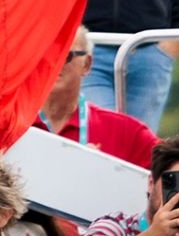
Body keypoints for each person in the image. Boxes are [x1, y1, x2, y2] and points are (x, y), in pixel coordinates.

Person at [41, 25, 157, 168]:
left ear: (87, 64)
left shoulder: (127, 133)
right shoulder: (11, 127)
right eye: (45, 54)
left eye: (66, 55)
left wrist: (103, 171)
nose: (54, 62)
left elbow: (176, 169)